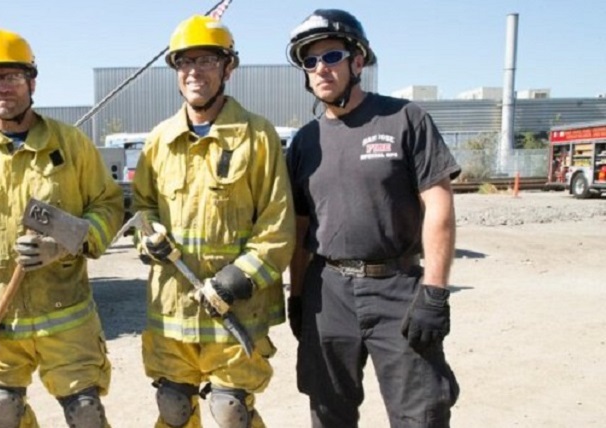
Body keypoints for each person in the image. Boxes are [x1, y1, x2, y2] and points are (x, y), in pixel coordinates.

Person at [0, 29, 123, 427]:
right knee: (3, 410)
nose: (2, 87)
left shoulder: (71, 144)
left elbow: (108, 207)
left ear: (31, 81)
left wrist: (65, 243)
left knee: (85, 413)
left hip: (67, 314)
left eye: (12, 76)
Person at [284, 9, 461, 427]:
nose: (320, 69)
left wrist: (434, 291)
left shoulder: (405, 119)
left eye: (331, 56)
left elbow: (439, 204)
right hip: (327, 293)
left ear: (358, 61)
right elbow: (300, 228)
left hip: (397, 288)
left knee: (422, 414)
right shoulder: (305, 142)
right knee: (328, 412)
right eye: (310, 62)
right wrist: (296, 295)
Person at [131, 16, 294, 428]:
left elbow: (277, 225)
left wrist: (237, 279)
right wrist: (147, 238)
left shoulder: (258, 137)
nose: (193, 72)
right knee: (173, 407)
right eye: (183, 62)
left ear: (228, 68)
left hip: (236, 311)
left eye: (206, 60)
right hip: (173, 312)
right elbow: (142, 209)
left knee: (230, 412)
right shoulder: (159, 141)